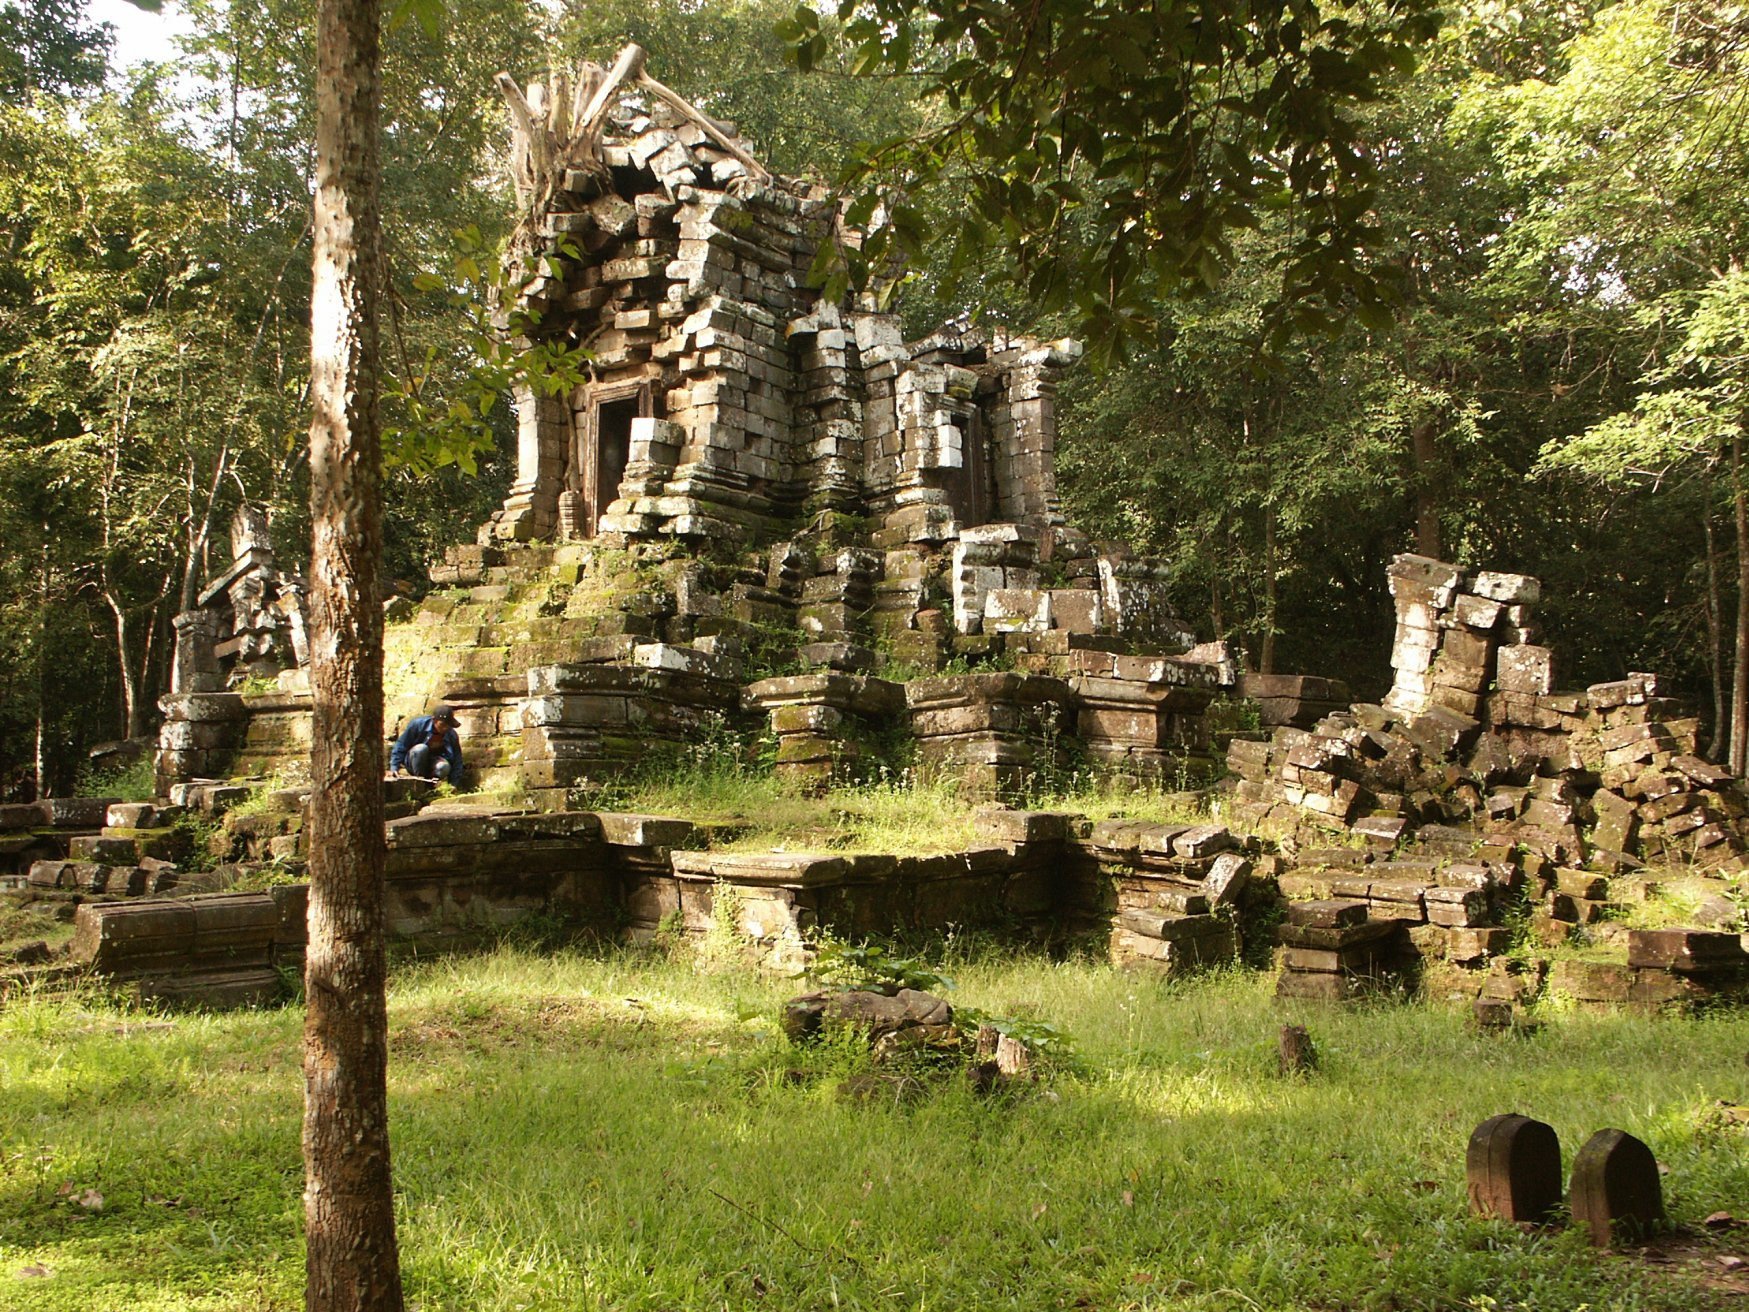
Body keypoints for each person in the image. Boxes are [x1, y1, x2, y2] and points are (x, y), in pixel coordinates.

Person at [390, 704, 463, 784]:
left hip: (433, 764)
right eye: (442, 725)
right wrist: (394, 767)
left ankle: (431, 784)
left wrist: (454, 784)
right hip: (414, 761)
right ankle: (419, 782)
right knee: (421, 749)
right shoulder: (418, 725)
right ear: (434, 720)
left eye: (448, 725)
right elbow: (401, 745)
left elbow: (457, 760)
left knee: (443, 767)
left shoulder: (451, 735)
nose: (445, 728)